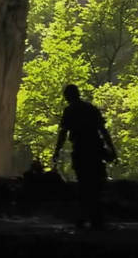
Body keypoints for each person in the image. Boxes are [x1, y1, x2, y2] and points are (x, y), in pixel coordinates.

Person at [53, 84, 117, 230]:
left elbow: (63, 133)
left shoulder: (70, 111)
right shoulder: (91, 108)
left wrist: (57, 151)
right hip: (95, 150)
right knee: (96, 184)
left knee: (84, 185)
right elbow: (103, 130)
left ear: (68, 96)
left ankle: (84, 217)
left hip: (81, 151)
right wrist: (112, 149)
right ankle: (96, 219)